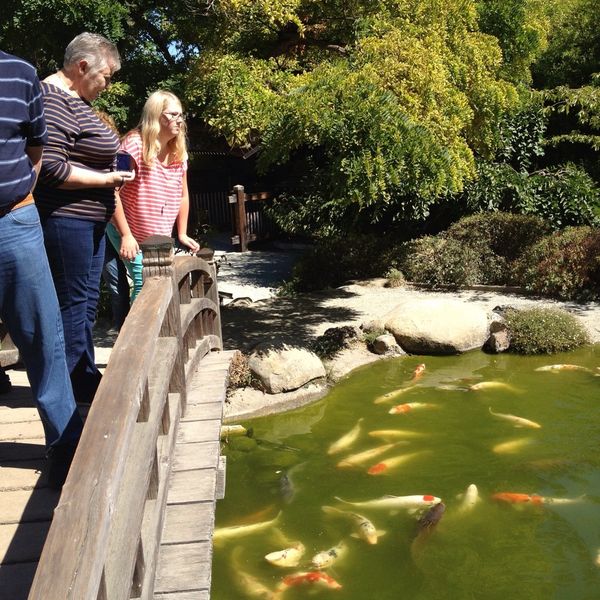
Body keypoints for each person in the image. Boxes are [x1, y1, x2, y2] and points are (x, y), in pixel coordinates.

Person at [33, 33, 135, 404]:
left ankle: (83, 375)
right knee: (74, 304)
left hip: (88, 221)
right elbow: (52, 169)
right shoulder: (53, 99)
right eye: (105, 76)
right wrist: (108, 179)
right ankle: (75, 387)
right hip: (67, 220)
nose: (107, 85)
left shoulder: (74, 99)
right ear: (82, 66)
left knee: (86, 303)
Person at [0, 48, 82, 487]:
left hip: (12, 221)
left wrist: (18, 197)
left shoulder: (19, 72)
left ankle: (66, 449)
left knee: (43, 337)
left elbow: (36, 148)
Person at [107, 90, 199, 302]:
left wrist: (182, 233)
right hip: (126, 229)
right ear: (156, 115)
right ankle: (138, 334)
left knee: (162, 280)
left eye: (181, 115)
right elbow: (111, 190)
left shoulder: (179, 152)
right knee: (144, 279)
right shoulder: (131, 145)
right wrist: (125, 235)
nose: (180, 121)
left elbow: (183, 194)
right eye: (173, 115)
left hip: (157, 237)